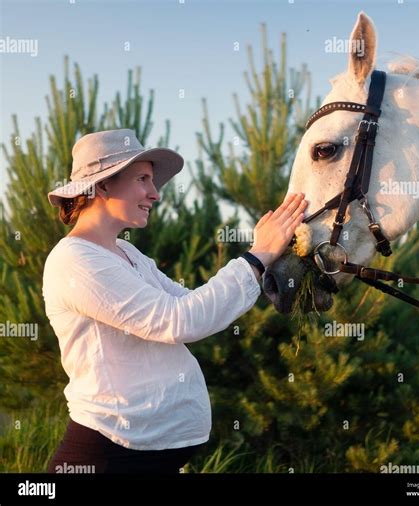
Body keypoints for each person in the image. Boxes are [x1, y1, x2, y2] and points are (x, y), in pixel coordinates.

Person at [42, 129, 307, 474]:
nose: (155, 194)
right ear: (103, 185)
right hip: (108, 455)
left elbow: (193, 303)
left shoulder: (126, 252)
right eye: (143, 179)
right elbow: (179, 320)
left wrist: (267, 260)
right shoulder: (75, 260)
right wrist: (256, 257)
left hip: (142, 457)